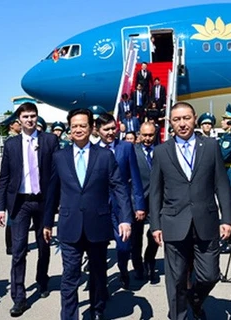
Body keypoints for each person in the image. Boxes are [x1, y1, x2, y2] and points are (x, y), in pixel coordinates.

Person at [43, 108, 132, 320]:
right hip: (69, 225)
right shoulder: (59, 157)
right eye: (74, 126)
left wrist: (125, 219)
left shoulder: (105, 156)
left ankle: (97, 311)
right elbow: (51, 192)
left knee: (98, 275)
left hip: (97, 225)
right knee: (70, 276)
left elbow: (119, 187)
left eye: (83, 125)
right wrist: (46, 222)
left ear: (91, 128)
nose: (78, 129)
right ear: (69, 129)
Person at [149, 102, 231, 320]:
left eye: (186, 118)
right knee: (175, 279)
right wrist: (155, 226)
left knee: (210, 275)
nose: (182, 124)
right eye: (177, 120)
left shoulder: (211, 146)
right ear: (170, 123)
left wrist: (227, 219)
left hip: (206, 221)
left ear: (194, 118)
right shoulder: (161, 151)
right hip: (174, 222)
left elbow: (221, 184)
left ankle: (194, 299)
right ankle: (179, 316)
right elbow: (156, 191)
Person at [0, 102, 58, 317]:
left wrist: (57, 202)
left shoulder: (50, 141)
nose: (30, 120)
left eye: (33, 116)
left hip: (43, 201)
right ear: (19, 120)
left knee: (44, 245)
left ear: (36, 118)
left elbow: (56, 174)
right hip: (19, 203)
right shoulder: (11, 145)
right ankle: (19, 297)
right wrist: (0, 208)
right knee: (18, 250)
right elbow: (3, 178)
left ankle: (42, 280)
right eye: (26, 117)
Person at [95, 113, 145, 288]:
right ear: (97, 131)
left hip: (121, 206)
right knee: (98, 249)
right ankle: (101, 283)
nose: (110, 133)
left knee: (124, 246)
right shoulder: (93, 149)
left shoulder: (126, 148)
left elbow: (135, 178)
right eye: (106, 129)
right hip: (99, 207)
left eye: (112, 129)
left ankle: (123, 269)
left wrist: (139, 205)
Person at [132, 122, 160, 283]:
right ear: (139, 135)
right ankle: (138, 267)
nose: (147, 138)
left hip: (156, 200)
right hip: (137, 200)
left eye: (150, 135)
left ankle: (150, 261)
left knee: (154, 235)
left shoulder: (160, 151)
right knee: (136, 238)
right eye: (145, 135)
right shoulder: (132, 152)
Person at [0, 111, 22, 256]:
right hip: (12, 184)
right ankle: (10, 246)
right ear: (12, 125)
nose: (20, 126)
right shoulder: (10, 140)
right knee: (11, 219)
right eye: (18, 123)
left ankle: (13, 245)